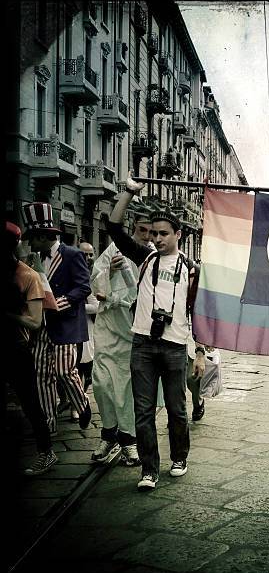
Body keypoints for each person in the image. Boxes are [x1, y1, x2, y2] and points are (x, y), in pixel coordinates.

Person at [108, 174, 207, 491]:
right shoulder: (145, 257)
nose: (158, 239)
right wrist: (128, 192)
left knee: (177, 410)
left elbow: (198, 314)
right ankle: (149, 470)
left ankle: (180, 458)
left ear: (178, 234)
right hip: (143, 345)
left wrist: (201, 352)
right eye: (154, 234)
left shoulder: (191, 270)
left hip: (176, 346)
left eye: (165, 234)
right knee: (143, 411)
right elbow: (114, 228)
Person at [89, 213, 154, 466]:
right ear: (132, 228)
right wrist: (109, 271)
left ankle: (128, 440)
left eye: (151, 231)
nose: (147, 236)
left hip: (131, 330)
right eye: (142, 230)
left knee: (125, 389)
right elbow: (96, 283)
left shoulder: (150, 256)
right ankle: (108, 434)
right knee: (102, 383)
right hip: (108, 325)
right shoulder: (113, 250)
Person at [23, 202, 92, 433]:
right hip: (41, 326)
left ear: (42, 236)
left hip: (66, 323)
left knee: (64, 371)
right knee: (42, 375)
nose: (29, 243)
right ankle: (48, 426)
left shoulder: (72, 255)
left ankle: (82, 404)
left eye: (32, 238)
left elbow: (83, 288)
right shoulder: (34, 259)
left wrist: (56, 304)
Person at [3, 222, 58, 475]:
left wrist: (8, 315)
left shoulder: (28, 276)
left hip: (15, 347)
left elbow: (35, 322)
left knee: (30, 402)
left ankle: (46, 452)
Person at [77, 242, 98, 399]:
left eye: (91, 254)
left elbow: (96, 306)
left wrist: (75, 307)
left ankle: (80, 398)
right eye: (85, 254)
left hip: (88, 325)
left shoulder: (95, 274)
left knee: (85, 364)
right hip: (71, 325)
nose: (88, 258)